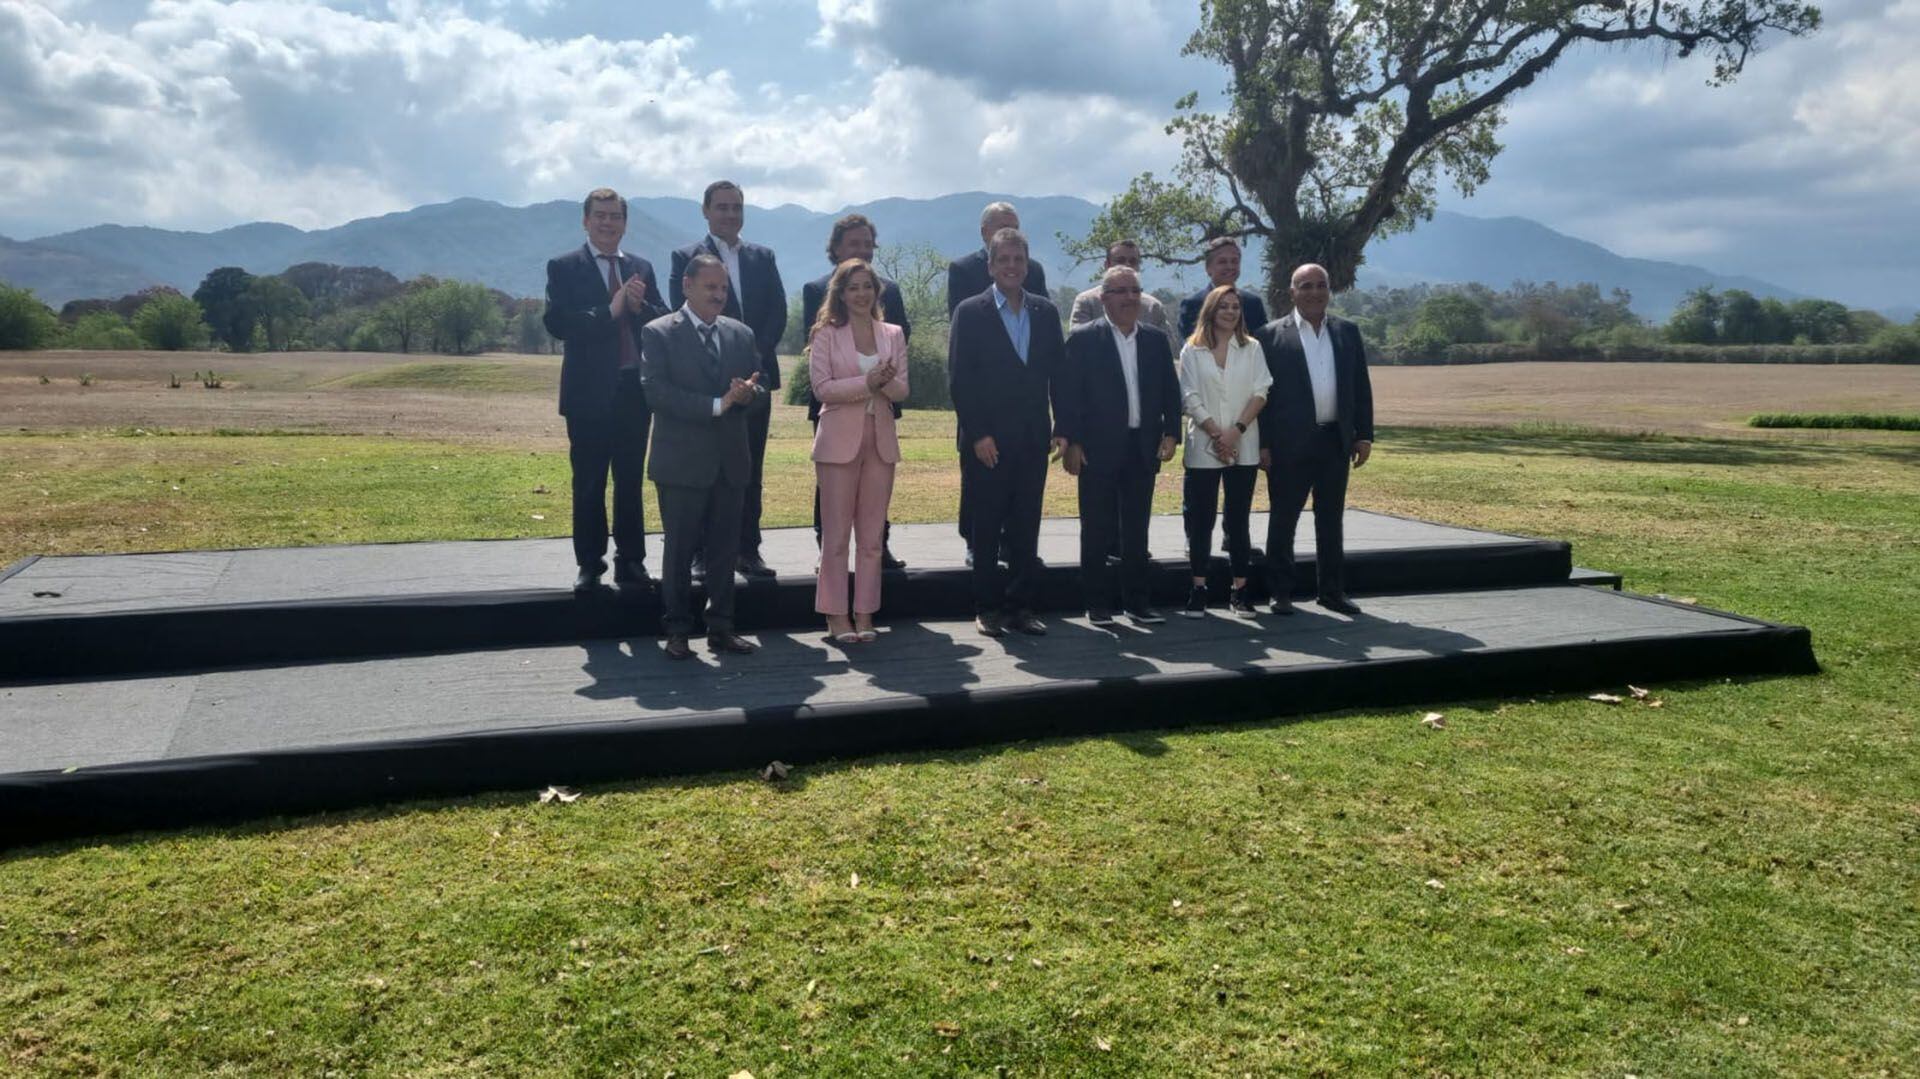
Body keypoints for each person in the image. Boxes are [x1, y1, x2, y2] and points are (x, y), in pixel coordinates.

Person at [641, 254, 767, 659]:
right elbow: (656, 392)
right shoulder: (658, 332)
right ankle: (677, 630)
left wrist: (748, 396)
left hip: (730, 461)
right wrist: (717, 404)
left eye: (724, 288)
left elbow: (755, 387)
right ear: (687, 286)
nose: (718, 295)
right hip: (680, 463)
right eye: (710, 287)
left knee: (724, 549)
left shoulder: (741, 334)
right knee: (679, 550)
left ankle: (722, 628)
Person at [542, 187, 667, 595]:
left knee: (630, 481)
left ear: (625, 223)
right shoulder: (564, 267)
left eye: (615, 216)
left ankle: (631, 562)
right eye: (600, 215)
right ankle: (590, 563)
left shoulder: (641, 268)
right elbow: (558, 323)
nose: (608, 222)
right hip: (587, 394)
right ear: (585, 220)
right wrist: (608, 312)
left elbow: (663, 321)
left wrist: (639, 308)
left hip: (634, 390)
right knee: (590, 482)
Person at [948, 227, 1065, 637]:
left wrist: (1062, 426)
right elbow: (961, 379)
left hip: (1033, 437)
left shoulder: (1045, 312)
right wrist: (978, 434)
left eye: (1019, 260)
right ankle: (987, 607)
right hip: (987, 442)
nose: (1012, 267)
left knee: (1025, 525)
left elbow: (1059, 376)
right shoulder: (970, 311)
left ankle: (1021, 606)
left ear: (1027, 264)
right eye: (1004, 260)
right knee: (986, 525)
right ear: (991, 265)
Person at [670, 181, 787, 579]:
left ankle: (748, 551)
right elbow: (680, 316)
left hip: (755, 380)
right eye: (722, 207)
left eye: (737, 207)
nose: (730, 214)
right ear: (705, 211)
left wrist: (751, 357)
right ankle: (703, 554)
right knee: (708, 469)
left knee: (749, 470)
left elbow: (777, 311)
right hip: (709, 384)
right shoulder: (685, 258)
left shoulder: (763, 256)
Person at [1055, 266, 1181, 625]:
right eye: (1120, 291)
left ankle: (1137, 602)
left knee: (1137, 530)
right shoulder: (1083, 339)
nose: (1129, 298)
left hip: (1142, 447)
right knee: (1096, 528)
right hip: (1097, 449)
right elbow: (1068, 396)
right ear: (1103, 298)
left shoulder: (1155, 340)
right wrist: (1073, 442)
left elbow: (1170, 392)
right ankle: (1097, 604)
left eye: (1135, 291)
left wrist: (1171, 433)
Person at [1257, 262, 1375, 616]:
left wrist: (1364, 434)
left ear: (1330, 289)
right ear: (1292, 292)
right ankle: (1280, 592)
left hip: (1334, 443)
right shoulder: (1269, 335)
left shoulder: (1348, 332)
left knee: (1330, 520)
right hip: (1287, 446)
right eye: (1305, 286)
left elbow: (1360, 386)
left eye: (1320, 285)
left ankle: (1332, 592)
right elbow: (1260, 396)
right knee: (1283, 520)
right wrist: (1262, 443)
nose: (1313, 292)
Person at [800, 214, 910, 570]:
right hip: (834, 408)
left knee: (876, 486)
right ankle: (827, 547)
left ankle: (879, 543)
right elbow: (817, 350)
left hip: (881, 407)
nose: (862, 250)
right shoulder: (815, 289)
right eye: (853, 244)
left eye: (867, 244)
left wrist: (887, 377)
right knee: (832, 486)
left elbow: (900, 335)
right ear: (835, 249)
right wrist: (863, 381)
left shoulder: (889, 290)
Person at [809, 259, 909, 644]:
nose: (862, 294)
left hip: (881, 442)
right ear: (840, 293)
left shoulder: (893, 333)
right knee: (835, 537)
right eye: (853, 287)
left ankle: (865, 613)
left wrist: (884, 384)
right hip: (837, 442)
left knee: (871, 539)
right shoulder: (826, 334)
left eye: (867, 286)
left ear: (876, 291)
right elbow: (822, 389)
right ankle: (836, 615)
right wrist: (867, 382)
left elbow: (902, 391)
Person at [947, 201, 1048, 567]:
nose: (1011, 265)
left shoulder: (1032, 271)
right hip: (982, 405)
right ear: (984, 234)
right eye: (1003, 225)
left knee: (1023, 500)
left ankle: (1017, 554)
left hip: (1027, 418)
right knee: (979, 487)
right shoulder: (962, 271)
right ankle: (976, 543)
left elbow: (1044, 342)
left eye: (1016, 226)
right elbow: (963, 360)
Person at [1177, 284, 1271, 618]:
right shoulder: (1192, 349)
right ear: (1210, 311)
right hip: (1204, 444)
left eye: (1235, 307)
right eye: (1223, 306)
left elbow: (1261, 391)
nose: (1230, 312)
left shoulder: (1253, 347)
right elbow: (1188, 396)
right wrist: (1217, 433)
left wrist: (1236, 432)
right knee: (1201, 520)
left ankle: (1240, 591)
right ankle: (1199, 588)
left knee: (1238, 520)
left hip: (1242, 443)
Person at [1069, 240, 1172, 335]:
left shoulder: (1153, 308)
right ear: (1106, 265)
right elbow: (1077, 342)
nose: (1127, 265)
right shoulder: (1087, 302)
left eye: (1133, 261)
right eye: (1120, 261)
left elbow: (1168, 348)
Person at [1177, 237, 1269, 342]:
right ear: (1208, 268)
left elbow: (1263, 344)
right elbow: (1188, 346)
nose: (1229, 266)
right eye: (1222, 262)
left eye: (1234, 261)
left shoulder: (1253, 304)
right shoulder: (1193, 304)